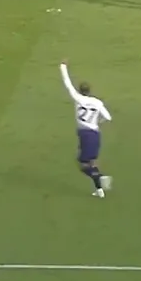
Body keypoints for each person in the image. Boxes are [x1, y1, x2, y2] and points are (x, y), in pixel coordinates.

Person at [58, 60, 113, 198]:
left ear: (80, 90)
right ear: (89, 91)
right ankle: (99, 190)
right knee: (92, 162)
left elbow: (67, 83)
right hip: (95, 134)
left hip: (85, 134)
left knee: (82, 164)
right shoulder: (97, 102)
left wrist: (63, 66)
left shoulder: (77, 98)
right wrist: (97, 122)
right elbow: (108, 117)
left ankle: (100, 178)